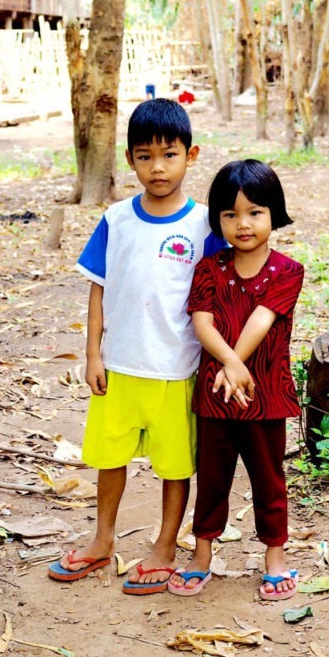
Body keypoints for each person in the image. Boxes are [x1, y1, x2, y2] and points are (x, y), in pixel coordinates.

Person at [48, 98, 224, 594]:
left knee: (175, 465)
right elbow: (98, 288)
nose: (157, 167)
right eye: (145, 156)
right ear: (129, 160)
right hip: (120, 365)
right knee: (110, 458)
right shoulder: (117, 219)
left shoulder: (205, 224)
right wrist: (93, 353)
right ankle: (102, 539)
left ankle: (165, 545)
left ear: (191, 156)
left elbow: (219, 295)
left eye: (169, 155)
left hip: (177, 368)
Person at [167, 159, 304, 600]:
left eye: (254, 212)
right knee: (212, 479)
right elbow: (202, 323)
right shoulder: (208, 268)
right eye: (230, 214)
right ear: (218, 219)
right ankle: (201, 555)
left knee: (269, 479)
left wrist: (234, 364)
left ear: (274, 213)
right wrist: (231, 364)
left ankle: (275, 558)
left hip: (267, 396)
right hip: (215, 397)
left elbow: (263, 318)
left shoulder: (287, 270)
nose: (243, 223)